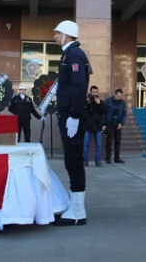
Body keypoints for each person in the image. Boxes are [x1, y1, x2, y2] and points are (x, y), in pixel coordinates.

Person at [52, 20, 91, 226]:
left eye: (57, 33)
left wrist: (74, 115)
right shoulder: (69, 54)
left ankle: (77, 211)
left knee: (73, 161)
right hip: (68, 114)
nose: (55, 36)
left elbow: (79, 86)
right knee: (71, 160)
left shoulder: (74, 54)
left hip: (72, 115)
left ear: (67, 35)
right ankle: (76, 208)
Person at [83, 85, 106, 167]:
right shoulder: (86, 101)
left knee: (98, 145)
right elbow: (84, 111)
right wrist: (88, 103)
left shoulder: (100, 101)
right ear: (90, 92)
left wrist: (99, 104)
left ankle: (98, 161)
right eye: (94, 92)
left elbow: (104, 111)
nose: (95, 94)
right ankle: (85, 161)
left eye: (96, 92)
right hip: (88, 126)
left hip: (97, 126)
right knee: (85, 144)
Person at [103, 88, 127, 164]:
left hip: (118, 124)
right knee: (109, 141)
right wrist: (104, 124)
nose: (120, 98)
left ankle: (117, 158)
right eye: (118, 96)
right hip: (110, 123)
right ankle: (108, 158)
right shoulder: (108, 101)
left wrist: (121, 123)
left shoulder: (122, 102)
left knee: (117, 141)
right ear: (114, 95)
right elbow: (104, 113)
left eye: (121, 96)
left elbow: (124, 114)